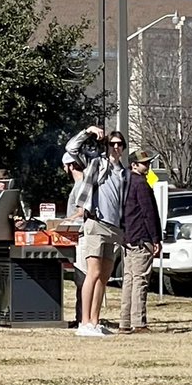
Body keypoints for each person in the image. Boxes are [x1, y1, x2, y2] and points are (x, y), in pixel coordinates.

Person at [65, 125, 129, 337]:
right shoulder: (97, 163)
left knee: (104, 276)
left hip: (114, 228)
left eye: (120, 144)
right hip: (95, 223)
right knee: (92, 273)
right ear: (106, 146)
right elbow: (71, 148)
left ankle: (95, 321)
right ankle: (84, 323)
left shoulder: (124, 173)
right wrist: (88, 131)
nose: (116, 147)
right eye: (112, 144)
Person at [120, 148, 162, 334]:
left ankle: (124, 322)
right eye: (144, 163)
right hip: (141, 237)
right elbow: (148, 213)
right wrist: (156, 239)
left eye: (148, 162)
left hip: (128, 237)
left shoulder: (124, 182)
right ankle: (139, 322)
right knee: (140, 280)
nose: (148, 165)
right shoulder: (141, 184)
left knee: (129, 280)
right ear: (134, 165)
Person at [61, 152, 87, 327]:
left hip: (84, 236)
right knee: (80, 278)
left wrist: (68, 220)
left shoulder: (82, 185)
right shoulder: (79, 184)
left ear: (70, 166)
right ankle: (80, 317)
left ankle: (84, 319)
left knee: (83, 278)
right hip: (78, 237)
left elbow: (83, 210)